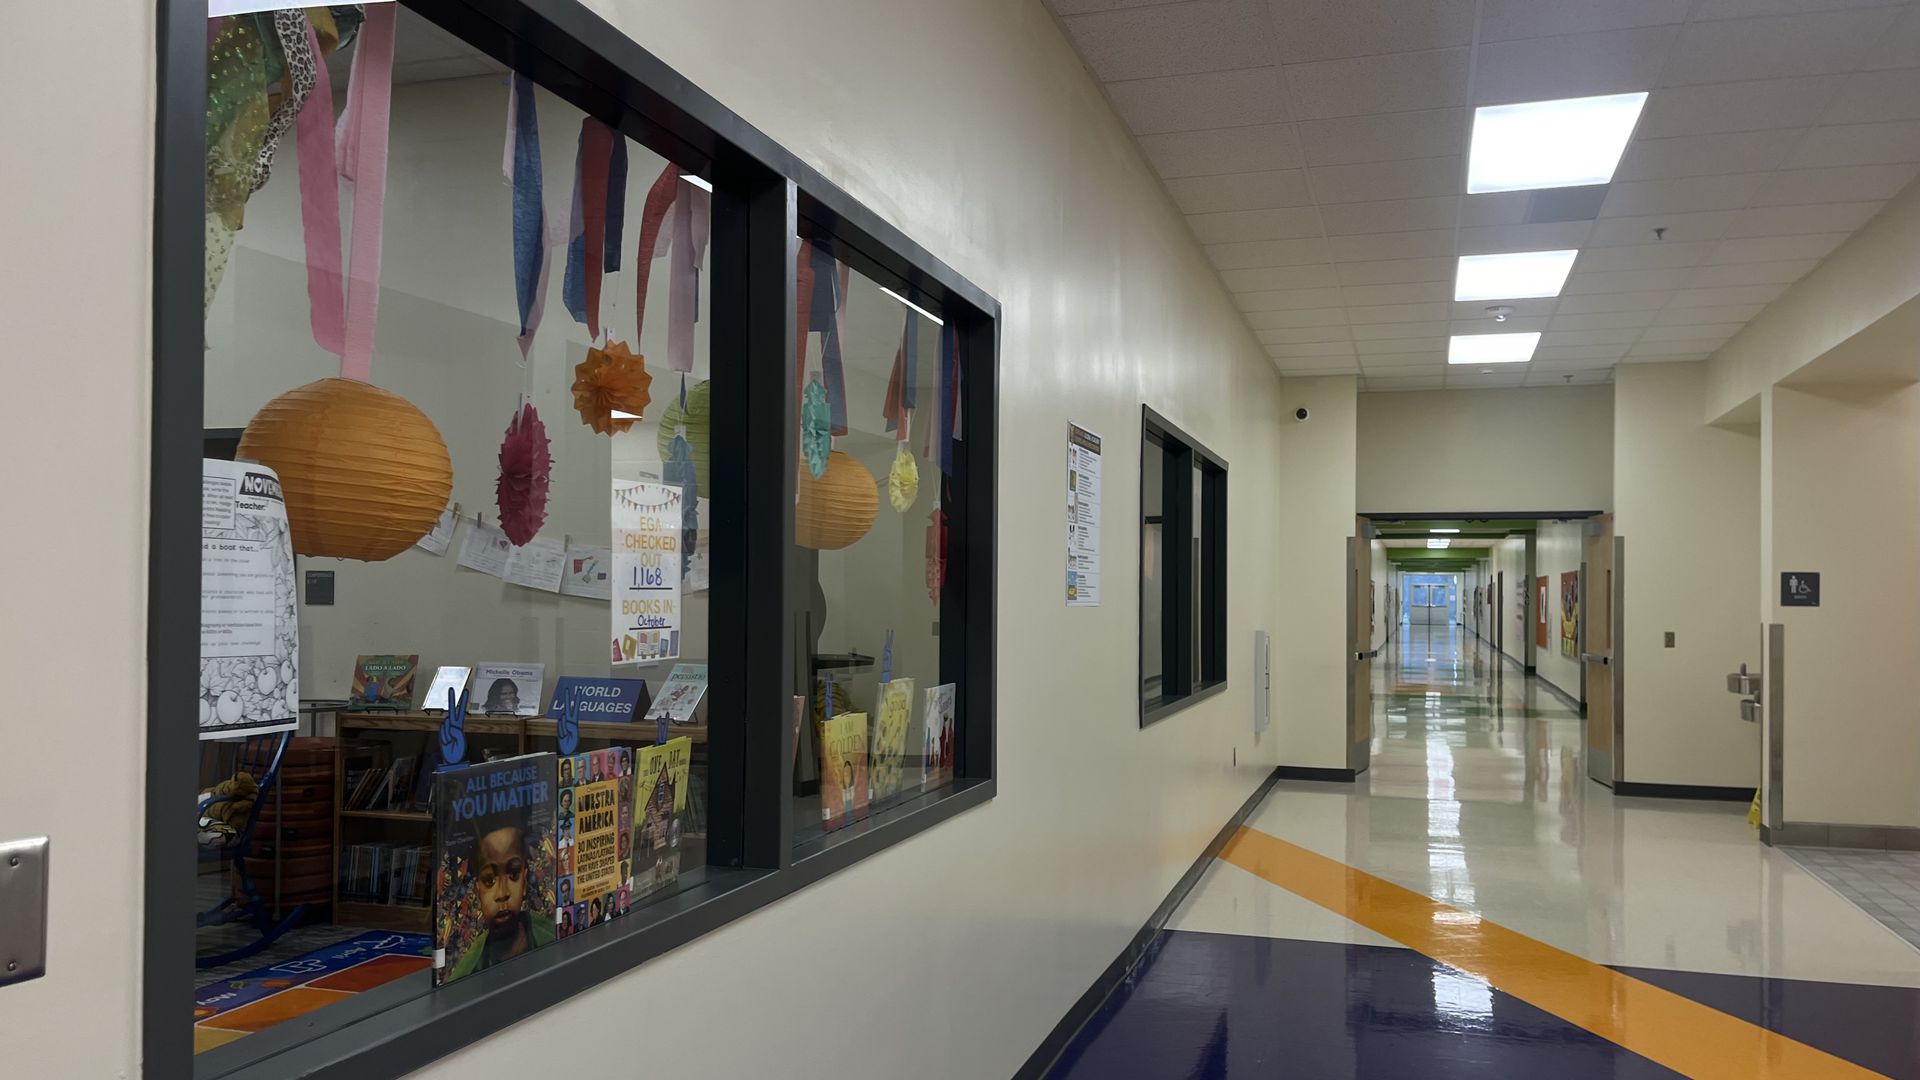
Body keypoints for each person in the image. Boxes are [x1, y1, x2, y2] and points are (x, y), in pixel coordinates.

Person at [446, 818, 555, 981]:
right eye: (489, 880)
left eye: (514, 874)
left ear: (524, 881)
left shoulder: (553, 937)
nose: (502, 893)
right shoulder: (465, 976)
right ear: (477, 891)